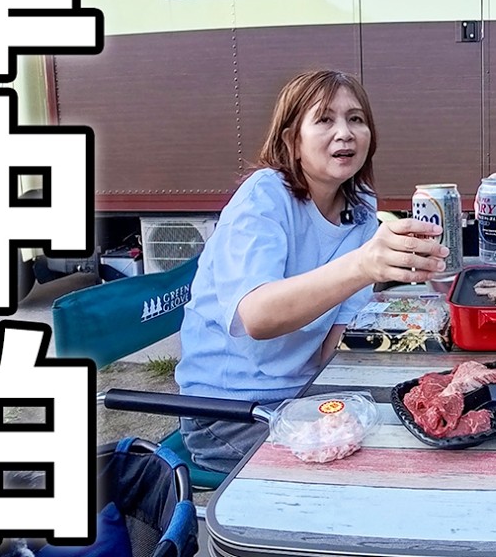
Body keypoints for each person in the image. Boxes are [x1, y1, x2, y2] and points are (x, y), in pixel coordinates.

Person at [174, 69, 448, 472]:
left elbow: (329, 347)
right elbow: (258, 315)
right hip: (228, 412)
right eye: (324, 119)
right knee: (382, 465)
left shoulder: (360, 209)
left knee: (419, 431)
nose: (345, 133)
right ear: (291, 141)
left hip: (302, 398)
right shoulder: (263, 198)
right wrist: (361, 265)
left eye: (356, 119)